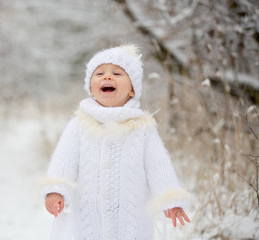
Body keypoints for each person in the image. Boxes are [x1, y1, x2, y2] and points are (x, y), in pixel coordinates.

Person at [41, 44, 191, 240]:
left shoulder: (142, 128)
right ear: (91, 88)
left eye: (117, 74)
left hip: (132, 225)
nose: (107, 77)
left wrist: (170, 198)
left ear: (132, 89)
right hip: (89, 224)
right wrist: (56, 190)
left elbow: (158, 165)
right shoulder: (79, 124)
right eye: (100, 73)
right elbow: (63, 160)